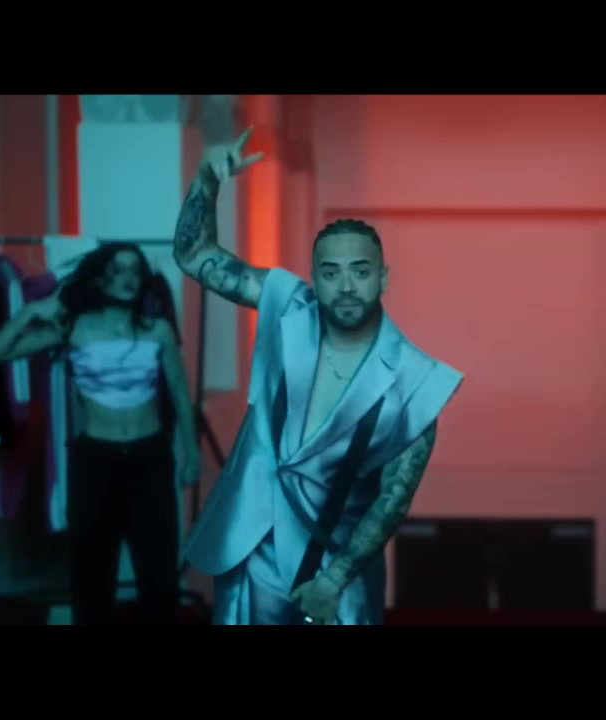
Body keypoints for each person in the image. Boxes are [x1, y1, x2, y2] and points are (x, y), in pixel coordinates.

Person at [174, 128, 463, 625]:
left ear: (383, 277)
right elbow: (195, 256)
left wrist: (334, 581)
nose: (346, 286)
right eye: (331, 273)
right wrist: (206, 178)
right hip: (252, 548)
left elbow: (392, 501)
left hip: (337, 567)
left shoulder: (417, 380)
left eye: (360, 271)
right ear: (314, 276)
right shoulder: (288, 304)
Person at [0, 242, 200, 625]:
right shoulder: (74, 328)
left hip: (149, 460)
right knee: (92, 573)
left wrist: (192, 456)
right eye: (118, 269)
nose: (128, 278)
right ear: (100, 278)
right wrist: (32, 310)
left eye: (135, 270)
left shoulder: (158, 331)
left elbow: (180, 392)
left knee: (158, 574)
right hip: (96, 462)